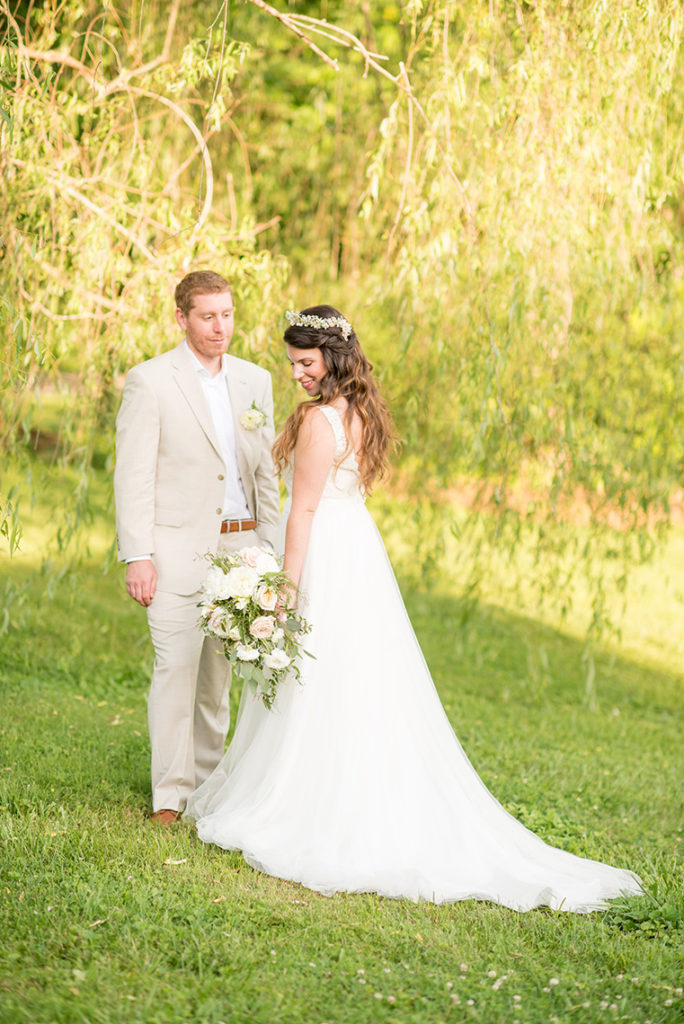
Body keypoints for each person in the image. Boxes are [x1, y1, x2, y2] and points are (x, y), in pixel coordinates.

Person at [184, 305, 642, 911]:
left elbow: (304, 509)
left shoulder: (321, 421)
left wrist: (285, 587)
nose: (295, 372)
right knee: (355, 675)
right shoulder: (361, 412)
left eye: (304, 361)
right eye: (292, 362)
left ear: (331, 357)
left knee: (321, 671)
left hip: (326, 550)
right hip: (359, 552)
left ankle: (314, 802)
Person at [114, 271, 280, 825]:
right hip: (175, 552)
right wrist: (138, 554)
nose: (220, 326)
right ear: (181, 318)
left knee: (218, 681)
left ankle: (208, 792)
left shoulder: (256, 382)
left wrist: (273, 556)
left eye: (227, 314)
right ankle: (169, 796)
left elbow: (267, 479)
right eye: (207, 316)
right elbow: (133, 476)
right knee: (175, 671)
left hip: (243, 550)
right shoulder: (151, 381)